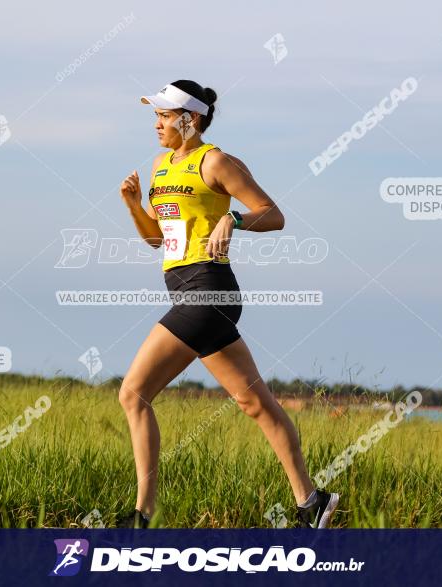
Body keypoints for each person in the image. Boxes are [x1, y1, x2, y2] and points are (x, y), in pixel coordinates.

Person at [116, 80, 339, 528]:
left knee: (134, 394)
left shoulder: (215, 161)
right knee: (256, 404)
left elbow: (273, 214)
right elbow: (156, 238)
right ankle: (312, 502)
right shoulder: (161, 166)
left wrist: (232, 218)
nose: (156, 123)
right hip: (186, 290)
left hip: (207, 290)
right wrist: (134, 206)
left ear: (190, 118)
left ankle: (142, 516)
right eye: (155, 115)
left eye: (164, 115)